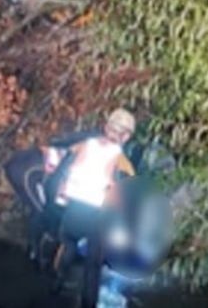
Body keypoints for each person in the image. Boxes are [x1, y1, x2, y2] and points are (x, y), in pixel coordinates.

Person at [52, 108, 137, 287]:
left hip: (74, 207)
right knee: (93, 263)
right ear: (126, 136)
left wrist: (62, 197)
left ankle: (56, 286)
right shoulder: (121, 160)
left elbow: (66, 170)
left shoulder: (85, 144)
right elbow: (123, 192)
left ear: (106, 127)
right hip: (97, 213)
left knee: (69, 246)